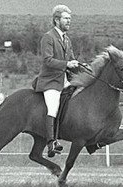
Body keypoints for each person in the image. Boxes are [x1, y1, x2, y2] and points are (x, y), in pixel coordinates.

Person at [32, 5, 79, 158]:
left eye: (70, 19)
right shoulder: (48, 37)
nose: (69, 21)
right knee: (53, 107)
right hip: (50, 81)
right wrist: (67, 64)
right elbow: (47, 60)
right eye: (66, 18)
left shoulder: (66, 39)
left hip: (65, 80)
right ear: (57, 20)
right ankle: (51, 142)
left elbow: (71, 59)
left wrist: (80, 66)